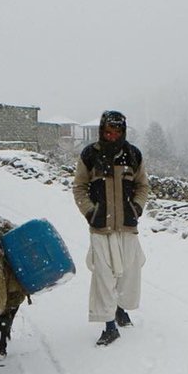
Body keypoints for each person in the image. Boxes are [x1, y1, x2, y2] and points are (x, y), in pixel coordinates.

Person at [73, 110, 149, 346]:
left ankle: (120, 308)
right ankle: (108, 325)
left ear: (123, 132)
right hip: (100, 226)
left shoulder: (133, 155)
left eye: (117, 132)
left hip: (126, 226)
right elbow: (79, 188)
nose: (112, 136)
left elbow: (142, 186)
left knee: (128, 271)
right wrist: (90, 212)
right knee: (103, 276)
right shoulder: (90, 155)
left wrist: (136, 208)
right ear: (101, 131)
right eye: (108, 132)